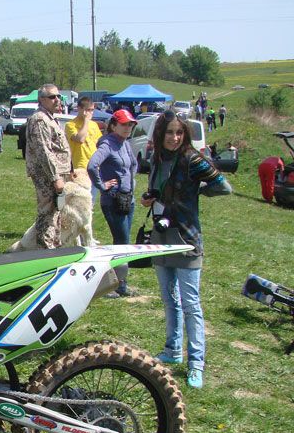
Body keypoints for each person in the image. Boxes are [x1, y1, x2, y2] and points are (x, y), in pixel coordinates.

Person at [140, 110, 232, 388]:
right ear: (160, 133)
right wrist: (150, 198)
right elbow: (159, 189)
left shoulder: (192, 159)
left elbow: (223, 186)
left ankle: (196, 363)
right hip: (161, 236)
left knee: (191, 303)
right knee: (169, 299)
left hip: (187, 238)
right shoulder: (157, 158)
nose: (174, 137)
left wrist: (198, 192)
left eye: (179, 133)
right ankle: (172, 350)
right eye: (169, 132)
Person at [87, 109, 139, 298]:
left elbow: (133, 165)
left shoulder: (125, 143)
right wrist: (103, 186)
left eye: (130, 124)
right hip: (113, 200)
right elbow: (92, 166)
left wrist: (130, 183)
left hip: (127, 199)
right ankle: (115, 285)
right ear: (114, 125)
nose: (128, 127)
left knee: (123, 242)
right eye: (124, 124)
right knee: (122, 243)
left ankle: (119, 283)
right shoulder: (108, 144)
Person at [25, 84, 72, 249]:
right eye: (52, 97)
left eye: (58, 96)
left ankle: (54, 248)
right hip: (47, 175)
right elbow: (44, 151)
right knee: (47, 214)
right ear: (42, 99)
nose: (57, 100)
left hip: (57, 173)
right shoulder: (40, 119)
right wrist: (55, 177)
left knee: (56, 212)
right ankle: (44, 252)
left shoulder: (49, 118)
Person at [65, 96, 102, 201]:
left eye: (92, 110)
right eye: (88, 110)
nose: (90, 113)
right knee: (81, 200)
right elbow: (80, 139)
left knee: (91, 199)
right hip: (80, 167)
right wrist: (86, 121)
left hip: (94, 167)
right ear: (79, 109)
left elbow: (99, 144)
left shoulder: (94, 125)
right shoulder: (70, 125)